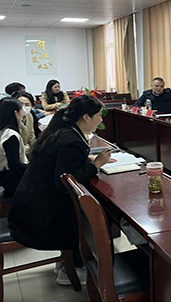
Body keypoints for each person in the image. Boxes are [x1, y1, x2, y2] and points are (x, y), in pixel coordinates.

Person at [7, 95, 113, 286]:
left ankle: (68, 261)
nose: (101, 120)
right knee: (96, 215)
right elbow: (63, 182)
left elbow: (62, 164)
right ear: (86, 117)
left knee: (91, 207)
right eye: (99, 115)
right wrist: (96, 165)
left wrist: (86, 160)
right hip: (39, 217)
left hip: (29, 204)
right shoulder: (72, 140)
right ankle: (76, 267)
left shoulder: (63, 130)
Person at [0, 98, 29, 196]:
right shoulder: (10, 136)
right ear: (16, 113)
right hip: (14, 182)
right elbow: (15, 166)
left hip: (6, 178)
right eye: (22, 111)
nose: (23, 115)